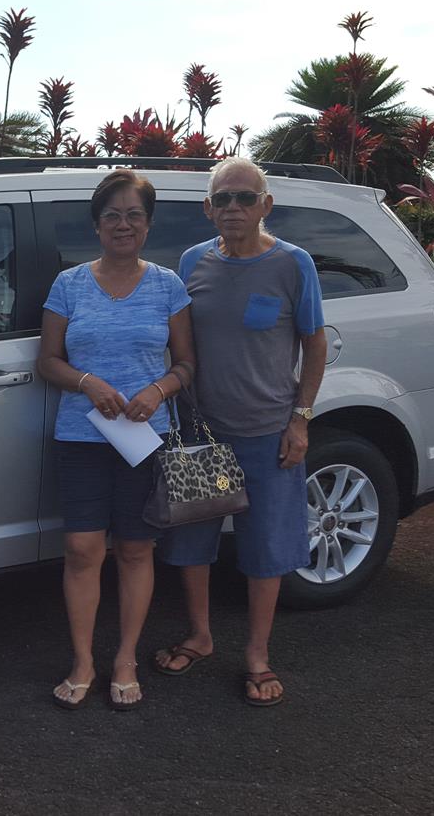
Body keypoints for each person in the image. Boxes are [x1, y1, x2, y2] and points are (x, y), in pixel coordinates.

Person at [154, 157, 327, 707]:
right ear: (207, 208)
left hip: (268, 431)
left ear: (266, 206)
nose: (233, 208)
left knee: (265, 549)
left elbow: (315, 344)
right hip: (200, 430)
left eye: (245, 198)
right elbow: (177, 338)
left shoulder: (293, 265)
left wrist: (300, 419)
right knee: (194, 542)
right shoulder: (191, 262)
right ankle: (201, 636)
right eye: (223, 199)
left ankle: (256, 653)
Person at [38, 169, 196, 711]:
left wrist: (159, 390)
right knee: (82, 549)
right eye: (112, 215)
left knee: (134, 548)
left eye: (133, 215)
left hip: (144, 437)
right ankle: (83, 659)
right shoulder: (69, 285)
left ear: (147, 225)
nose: (122, 224)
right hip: (82, 435)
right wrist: (87, 382)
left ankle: (125, 657)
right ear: (97, 225)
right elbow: (48, 361)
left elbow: (187, 364)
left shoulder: (167, 285)